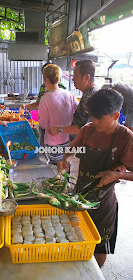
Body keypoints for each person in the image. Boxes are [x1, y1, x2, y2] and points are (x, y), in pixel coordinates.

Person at [58, 88, 133, 268]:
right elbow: (73, 147)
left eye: (100, 117)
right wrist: (65, 159)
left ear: (116, 115)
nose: (94, 121)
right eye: (92, 116)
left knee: (99, 247)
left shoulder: (125, 138)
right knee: (75, 237)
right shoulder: (88, 130)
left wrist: (116, 174)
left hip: (104, 204)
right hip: (79, 195)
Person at [38, 64, 78, 163]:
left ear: (46, 79)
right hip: (67, 138)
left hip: (52, 141)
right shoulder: (69, 94)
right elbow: (78, 112)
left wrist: (39, 118)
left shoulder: (45, 99)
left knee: (55, 167)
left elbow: (43, 124)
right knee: (65, 163)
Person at [48, 60, 98, 140]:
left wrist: (59, 129)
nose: (72, 79)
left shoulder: (91, 96)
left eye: (75, 75)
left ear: (86, 78)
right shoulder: (90, 93)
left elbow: (83, 127)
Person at [21, 63, 66, 146]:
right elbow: (38, 103)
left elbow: (43, 123)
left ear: (46, 78)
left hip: (55, 130)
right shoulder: (43, 87)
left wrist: (42, 118)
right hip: (59, 133)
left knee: (52, 150)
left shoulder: (58, 90)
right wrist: (25, 106)